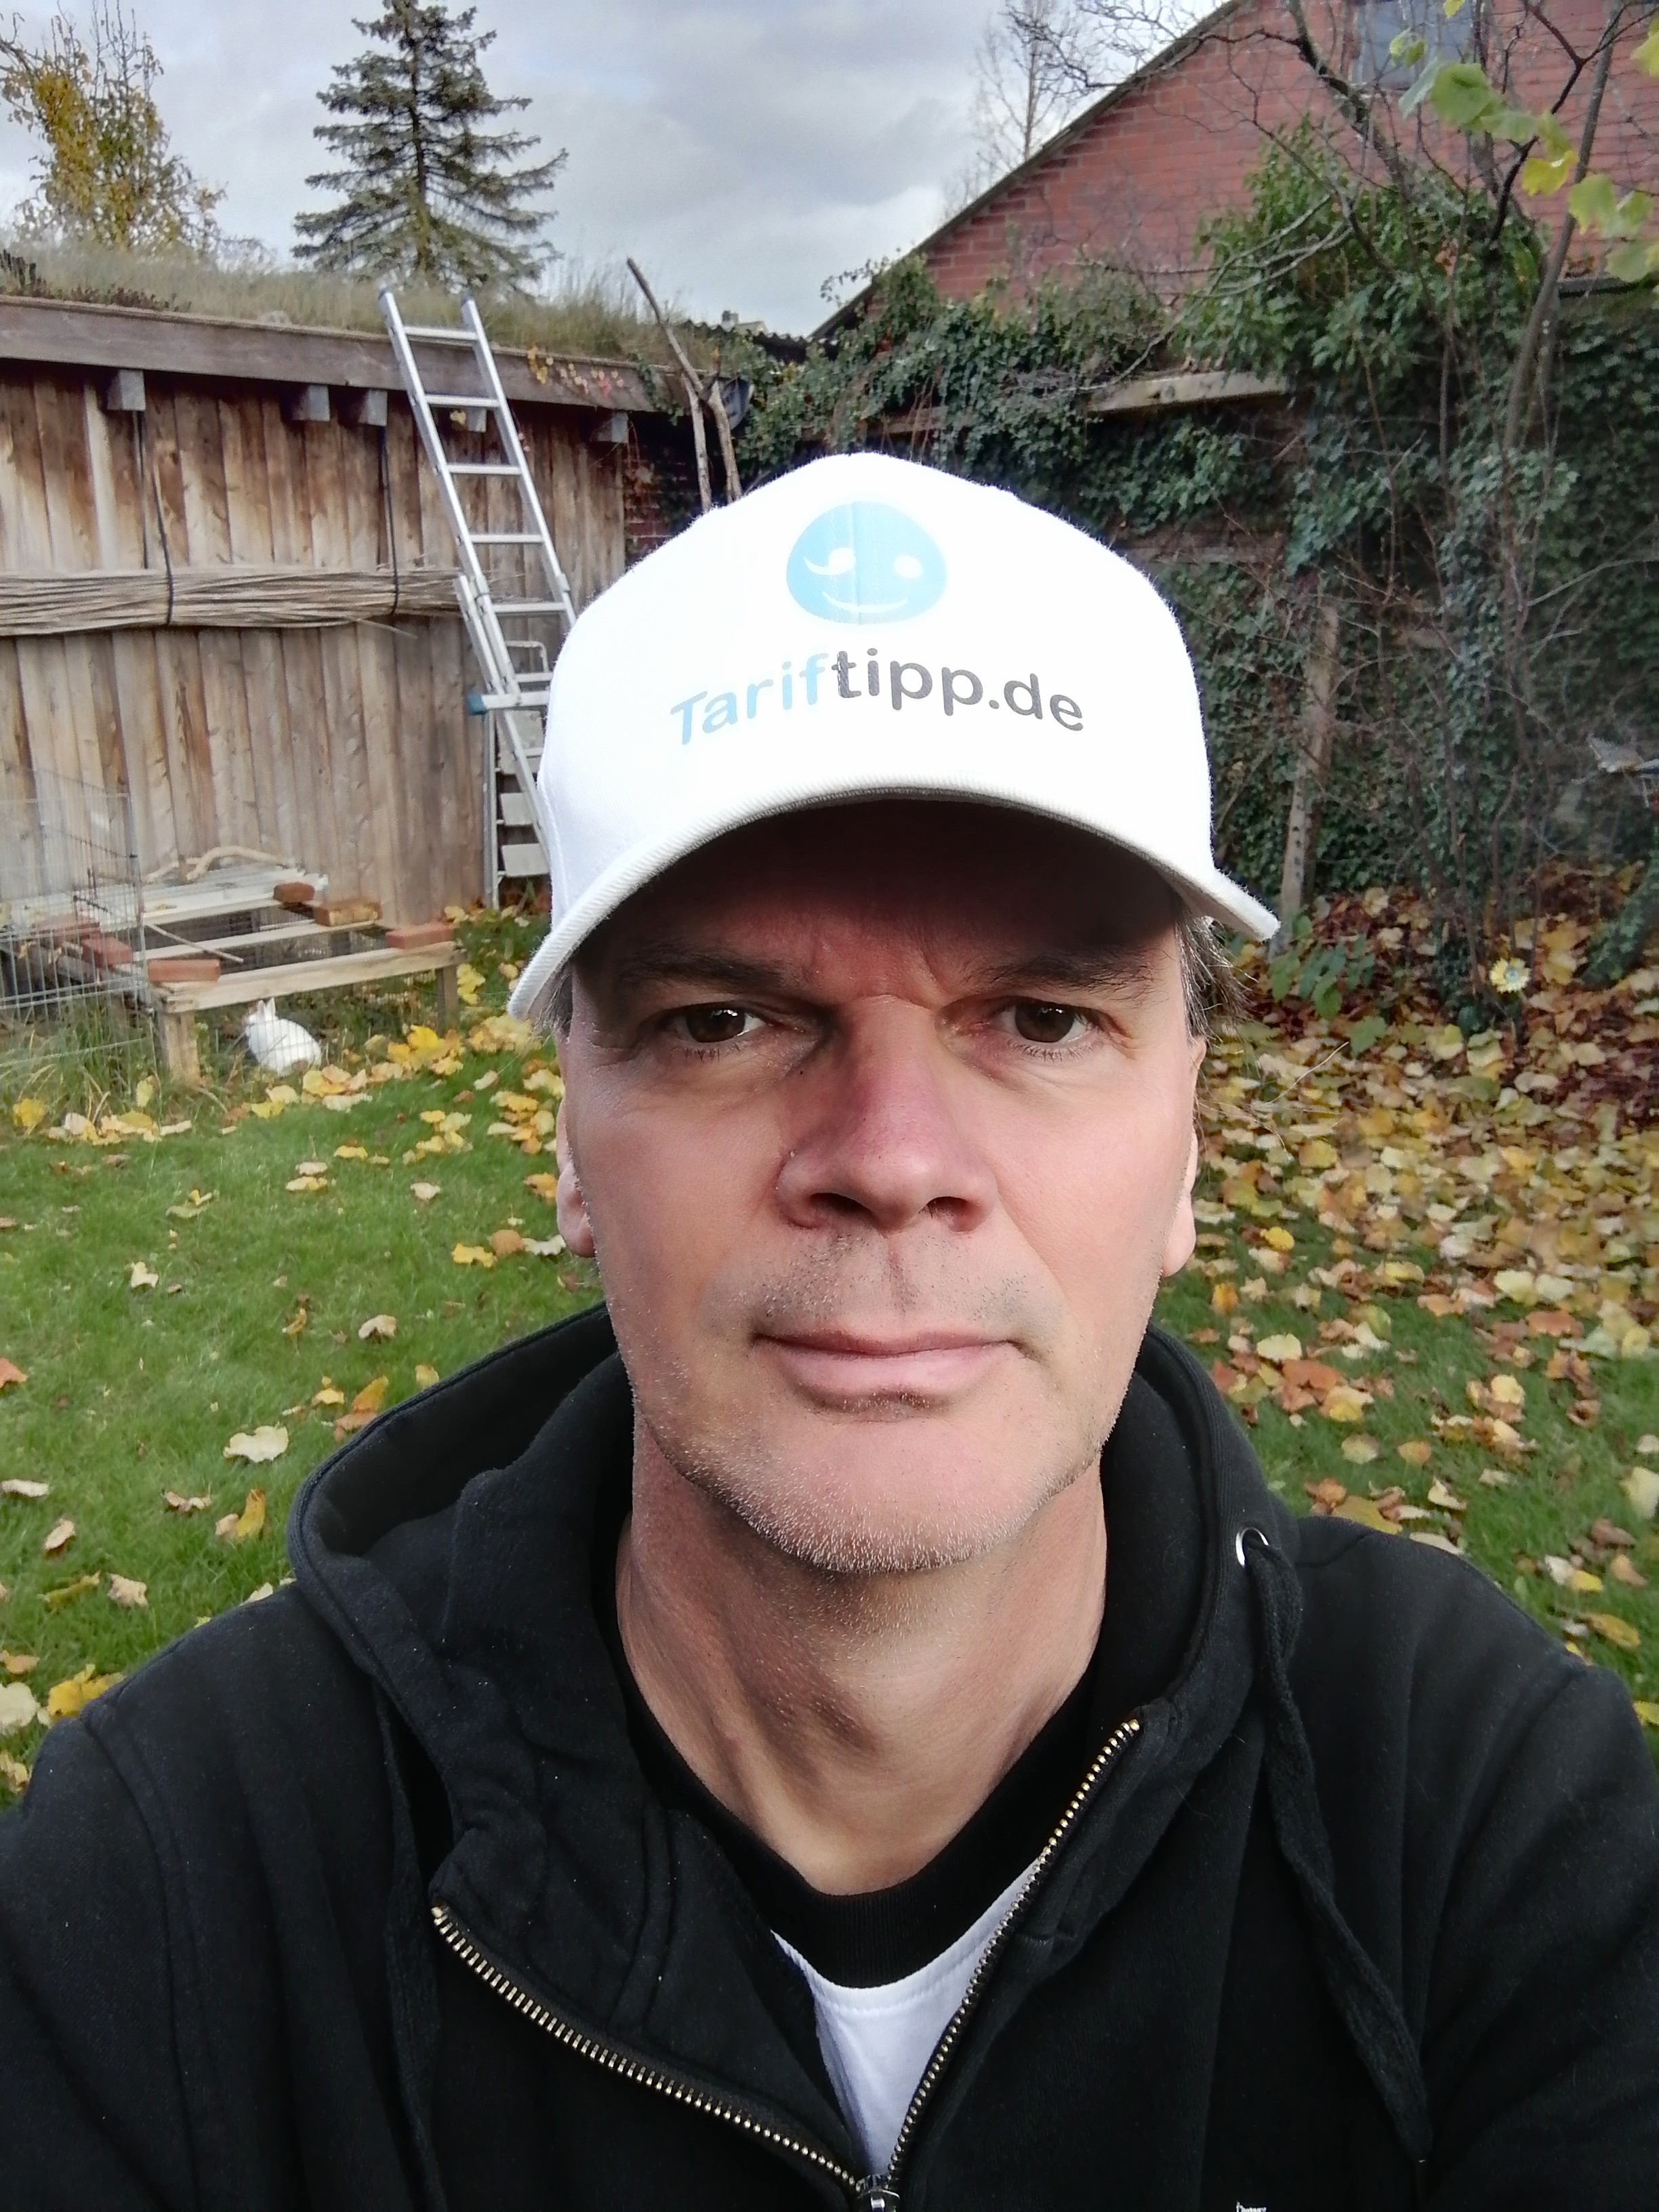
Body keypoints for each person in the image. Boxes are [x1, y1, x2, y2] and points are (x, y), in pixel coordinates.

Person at [1, 454, 1655, 2212]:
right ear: (567, 1147)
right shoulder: (173, 1890)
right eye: (723, 1020)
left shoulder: (1484, 1821)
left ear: (1190, 1139)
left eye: (1042, 1017)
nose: (892, 1160)